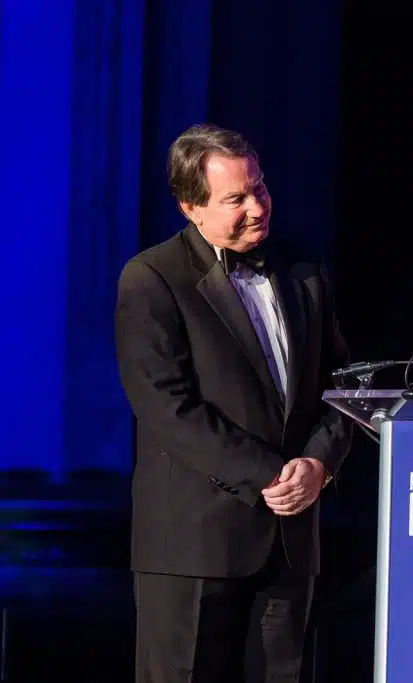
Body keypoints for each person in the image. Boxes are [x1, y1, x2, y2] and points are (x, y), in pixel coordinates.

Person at [115, 123, 352, 683]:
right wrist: (272, 475)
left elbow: (344, 386)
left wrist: (319, 465)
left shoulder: (305, 271)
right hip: (194, 545)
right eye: (235, 199)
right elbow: (165, 405)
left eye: (260, 188)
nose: (257, 208)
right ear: (190, 207)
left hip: (291, 546)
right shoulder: (153, 278)